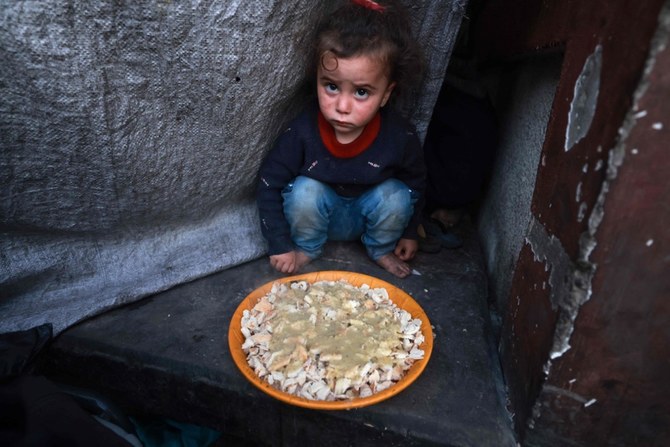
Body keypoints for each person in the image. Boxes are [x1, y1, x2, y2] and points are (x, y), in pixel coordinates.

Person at [256, 0, 425, 278]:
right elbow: (268, 184)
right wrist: (280, 244)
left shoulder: (400, 136)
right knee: (304, 191)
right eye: (332, 86)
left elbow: (416, 184)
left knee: (396, 194)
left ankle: (380, 249)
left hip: (369, 218)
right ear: (317, 80)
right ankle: (307, 249)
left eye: (361, 92)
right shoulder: (302, 131)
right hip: (320, 218)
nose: (342, 106)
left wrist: (409, 233)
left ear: (385, 94)